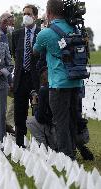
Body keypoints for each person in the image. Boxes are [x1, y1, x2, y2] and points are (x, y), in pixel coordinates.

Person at [33, 0, 83, 159]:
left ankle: (66, 157)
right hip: (77, 81)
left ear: (48, 13)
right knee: (72, 119)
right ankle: (72, 151)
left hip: (58, 84)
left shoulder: (46, 33)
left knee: (59, 121)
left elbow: (35, 51)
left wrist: (44, 28)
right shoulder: (75, 28)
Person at [12, 4, 41, 147]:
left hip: (36, 79)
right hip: (20, 78)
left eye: (29, 14)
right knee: (19, 113)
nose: (26, 16)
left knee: (38, 112)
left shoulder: (42, 33)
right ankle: (19, 144)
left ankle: (39, 143)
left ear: (35, 16)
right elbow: (14, 54)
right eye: (24, 14)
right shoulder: (16, 34)